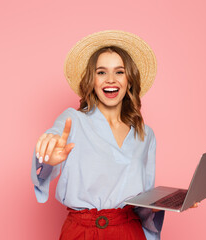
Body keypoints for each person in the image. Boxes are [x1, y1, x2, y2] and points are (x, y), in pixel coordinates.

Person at [31, 30, 164, 239]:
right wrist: (48, 158)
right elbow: (54, 140)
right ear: (91, 80)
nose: (110, 79)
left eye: (119, 72)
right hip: (81, 232)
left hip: (129, 231)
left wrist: (168, 204)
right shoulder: (73, 120)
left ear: (130, 80)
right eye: (101, 72)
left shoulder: (145, 134)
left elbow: (144, 202)